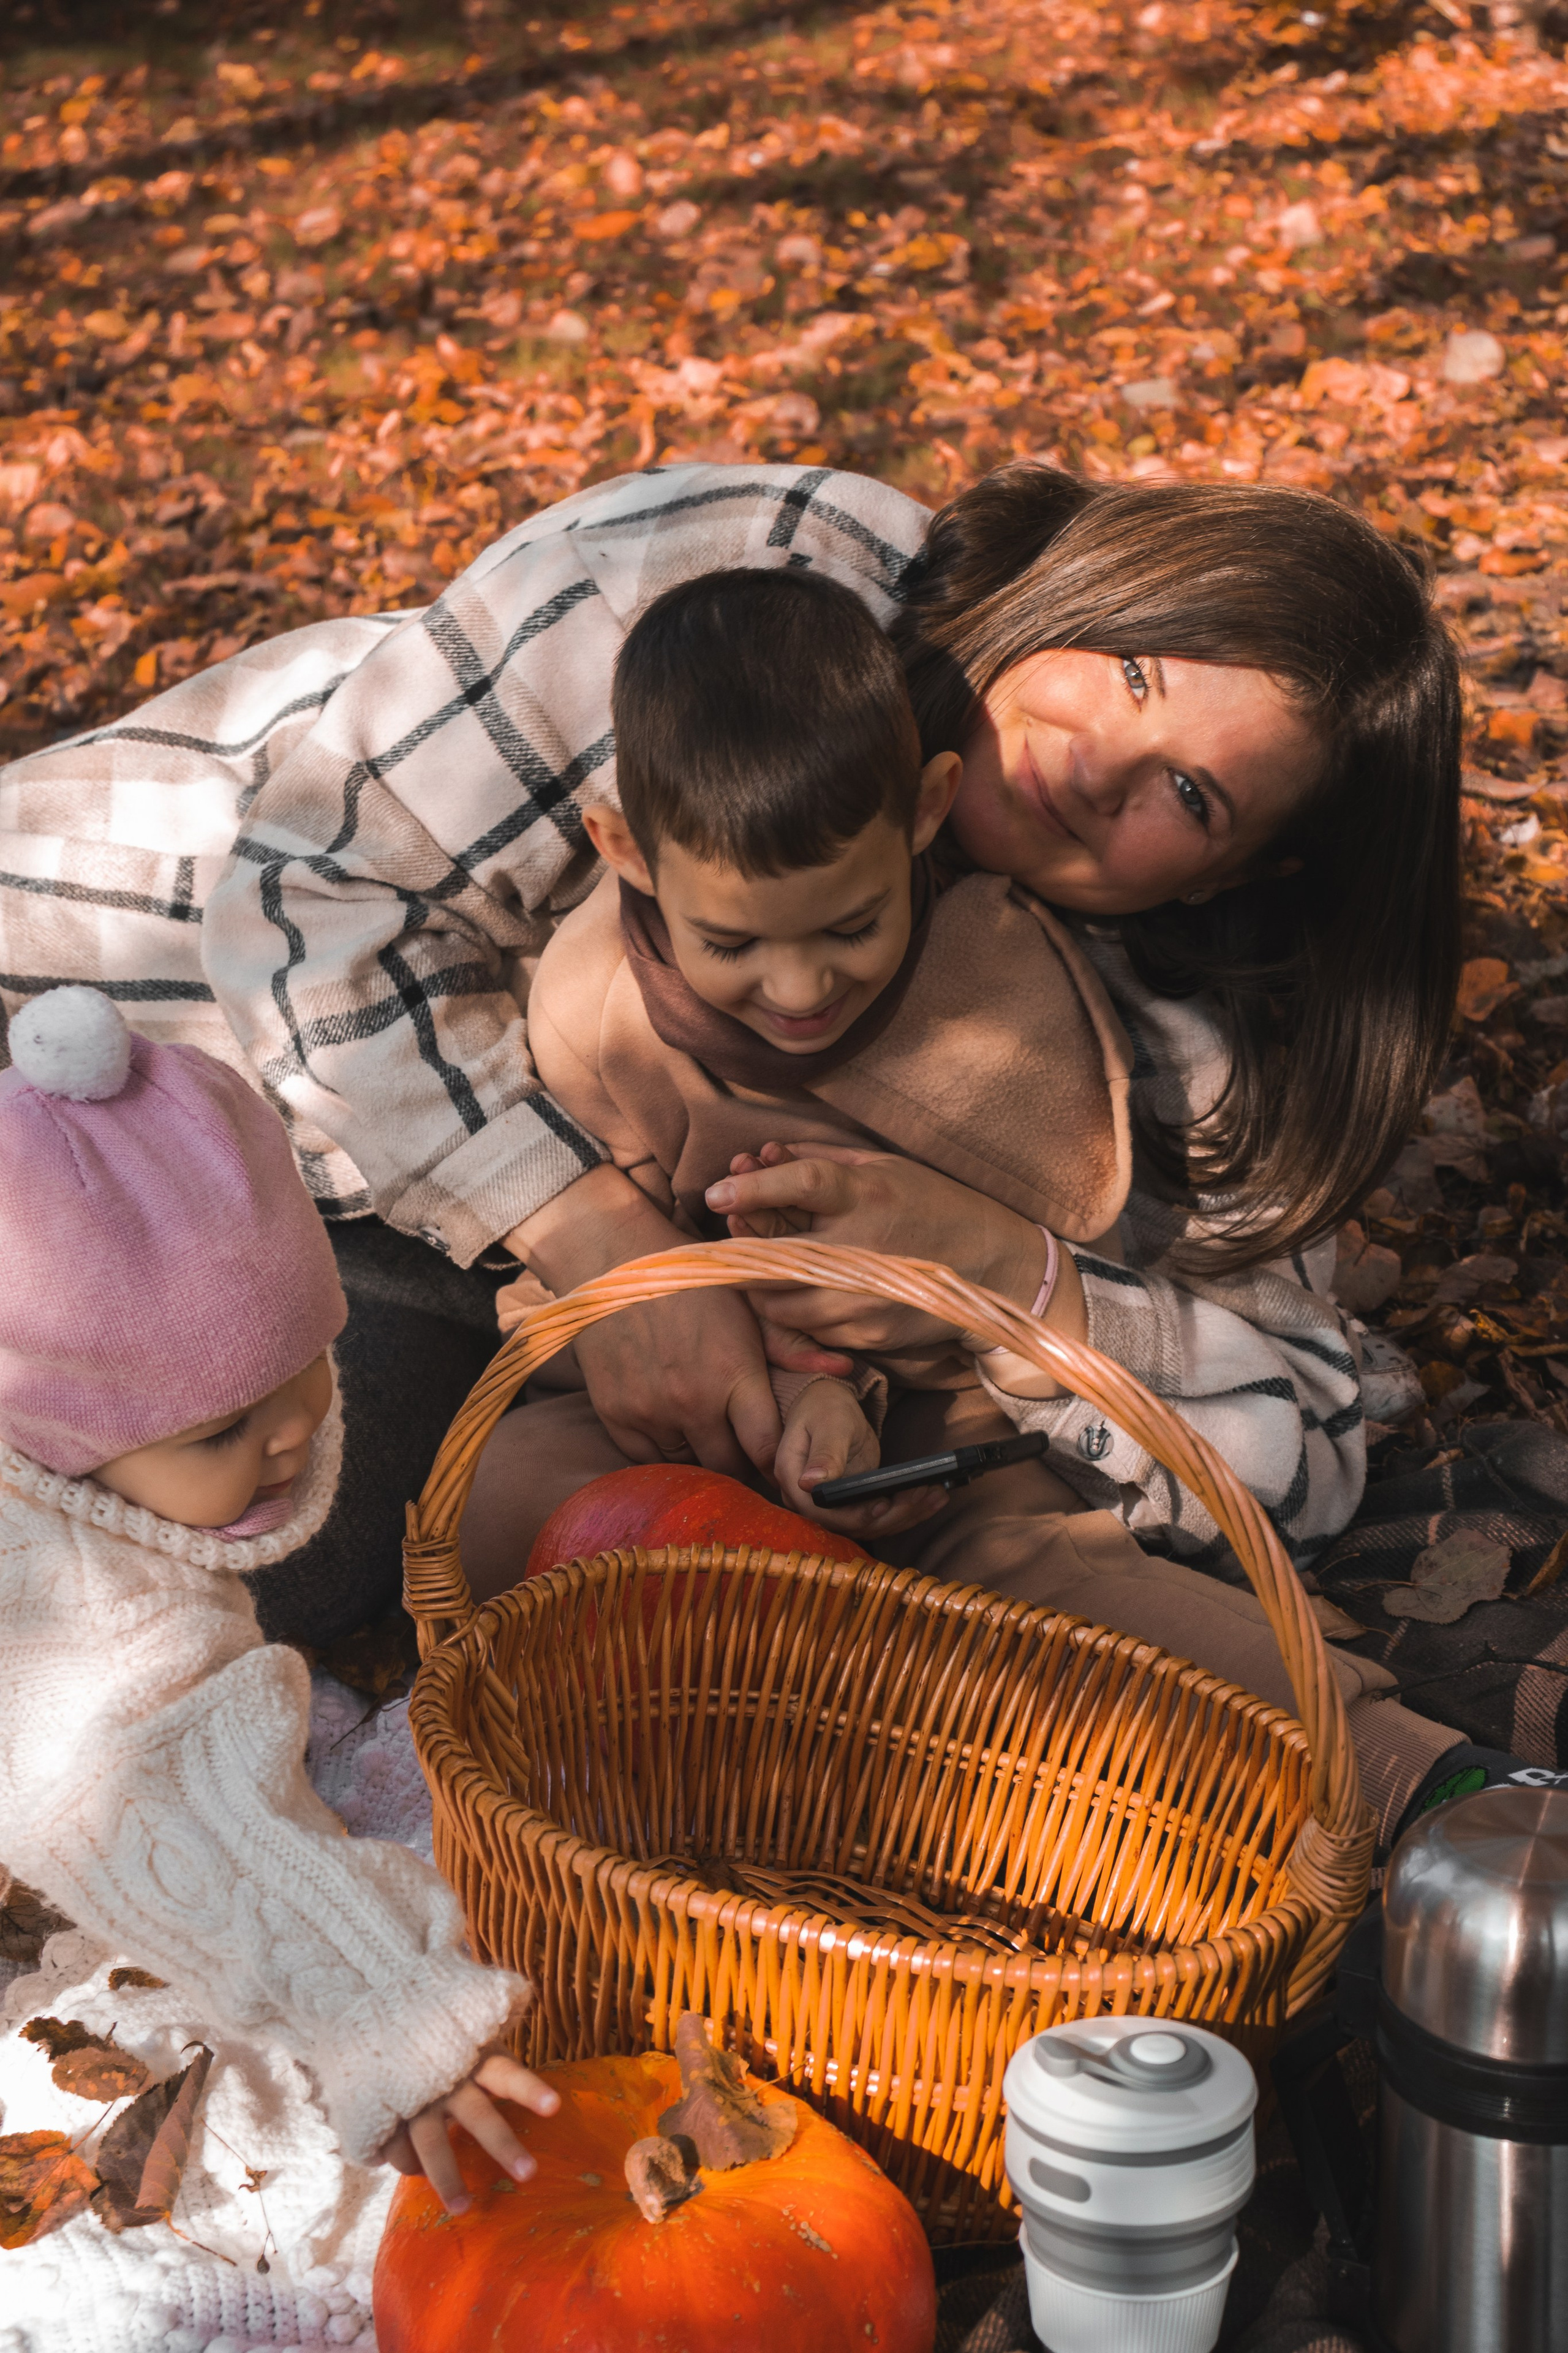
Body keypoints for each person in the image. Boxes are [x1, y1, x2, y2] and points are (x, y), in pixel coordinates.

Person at [0, 460, 1476, 1833]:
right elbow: (318, 904)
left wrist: (1010, 1279)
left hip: (444, 1205)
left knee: (393, 1499)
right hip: (157, 1022)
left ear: (1249, 870)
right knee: (277, 1508)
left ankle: (1395, 1810)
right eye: (1134, 670)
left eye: (1190, 793)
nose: (1101, 766)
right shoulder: (746, 608)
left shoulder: (1173, 1035)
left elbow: (1304, 1437)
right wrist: (615, 1254)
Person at [0, 986, 555, 2216]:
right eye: (227, 1426)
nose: (296, 1433)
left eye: (305, 1364)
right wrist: (388, 2005)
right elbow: (171, 1792)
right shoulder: (73, 1611)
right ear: (58, 1435)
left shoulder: (69, 1450)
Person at [462, 564, 1133, 1578]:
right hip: (710, 1389)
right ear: (626, 852)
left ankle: (1373, 1743)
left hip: (955, 1395)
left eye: (854, 925)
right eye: (733, 944)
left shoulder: (1000, 981)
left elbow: (1079, 1258)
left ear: (927, 809)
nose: (800, 989)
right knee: (501, 1505)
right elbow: (606, 1280)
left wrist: (890, 1380)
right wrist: (798, 1389)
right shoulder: (594, 1001)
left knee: (1047, 1564)